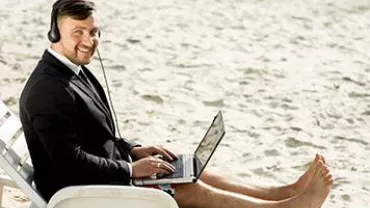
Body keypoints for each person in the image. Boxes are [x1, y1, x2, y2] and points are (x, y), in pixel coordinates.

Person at [19, 0, 333, 207]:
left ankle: (283, 194)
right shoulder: (49, 89)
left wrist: (133, 149)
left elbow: (96, 135)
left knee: (191, 169)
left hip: (99, 175)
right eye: (78, 32)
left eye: (94, 31)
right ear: (54, 32)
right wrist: (130, 169)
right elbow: (69, 163)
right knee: (187, 189)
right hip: (80, 193)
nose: (89, 40)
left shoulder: (71, 71)